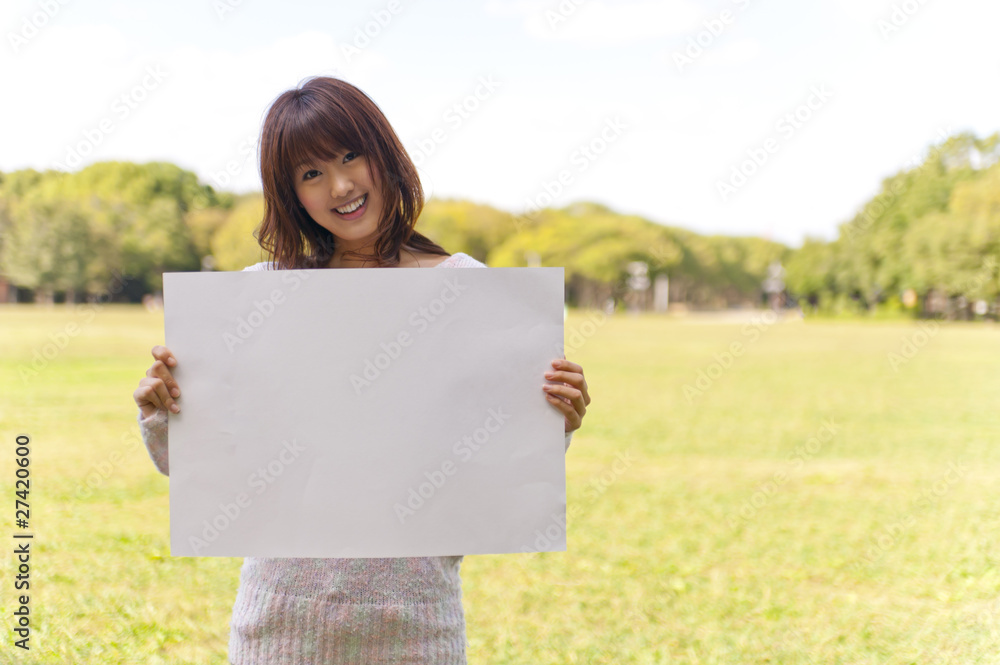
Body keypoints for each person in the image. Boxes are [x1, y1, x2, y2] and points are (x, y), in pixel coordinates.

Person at [132, 76, 591, 665]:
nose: (341, 185)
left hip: (418, 625)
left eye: (351, 156)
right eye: (311, 173)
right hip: (277, 621)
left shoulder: (464, 290)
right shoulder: (260, 299)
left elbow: (496, 463)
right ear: (290, 191)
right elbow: (201, 470)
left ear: (385, 155)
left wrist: (555, 419)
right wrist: (163, 414)